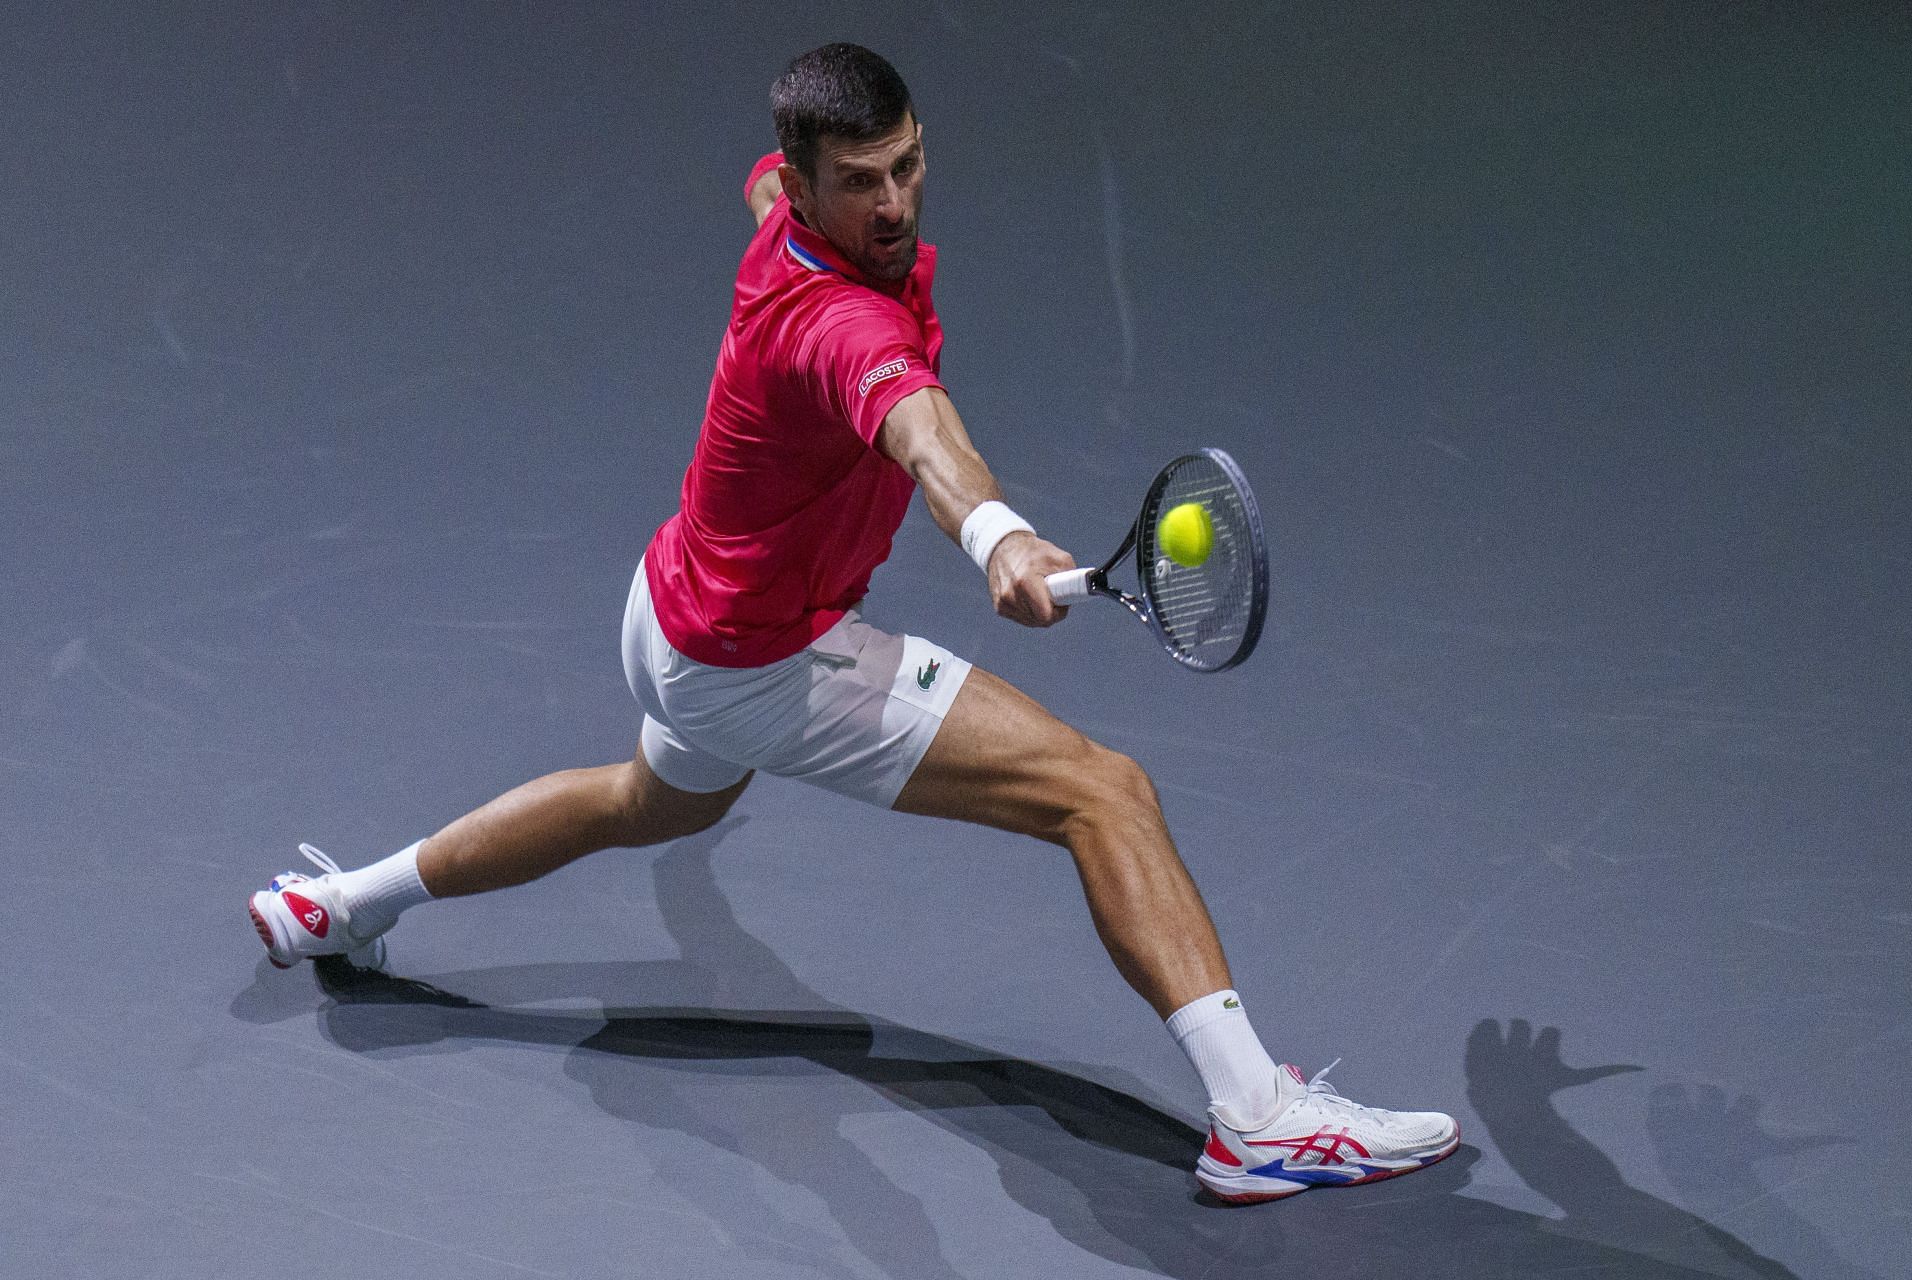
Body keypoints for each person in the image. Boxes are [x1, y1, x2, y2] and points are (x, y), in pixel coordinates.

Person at [246, 42, 1458, 1204]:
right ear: (813, 183)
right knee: (1103, 791)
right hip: (768, 661)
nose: (893, 202)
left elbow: (762, 182)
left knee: (640, 804)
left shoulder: (784, 206)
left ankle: (341, 904)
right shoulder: (841, 327)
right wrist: (997, 535)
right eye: (860, 182)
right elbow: (924, 432)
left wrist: (793, 181)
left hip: (670, 616)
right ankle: (1258, 1120)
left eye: (909, 165)